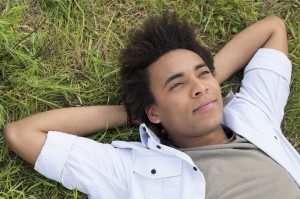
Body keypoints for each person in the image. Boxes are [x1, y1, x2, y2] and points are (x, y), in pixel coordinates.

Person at [3, 12, 300, 199]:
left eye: (203, 73)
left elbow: (272, 28)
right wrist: (135, 111)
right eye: (176, 85)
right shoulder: (134, 172)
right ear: (154, 111)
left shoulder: (254, 116)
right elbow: (22, 133)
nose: (198, 87)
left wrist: (204, 87)